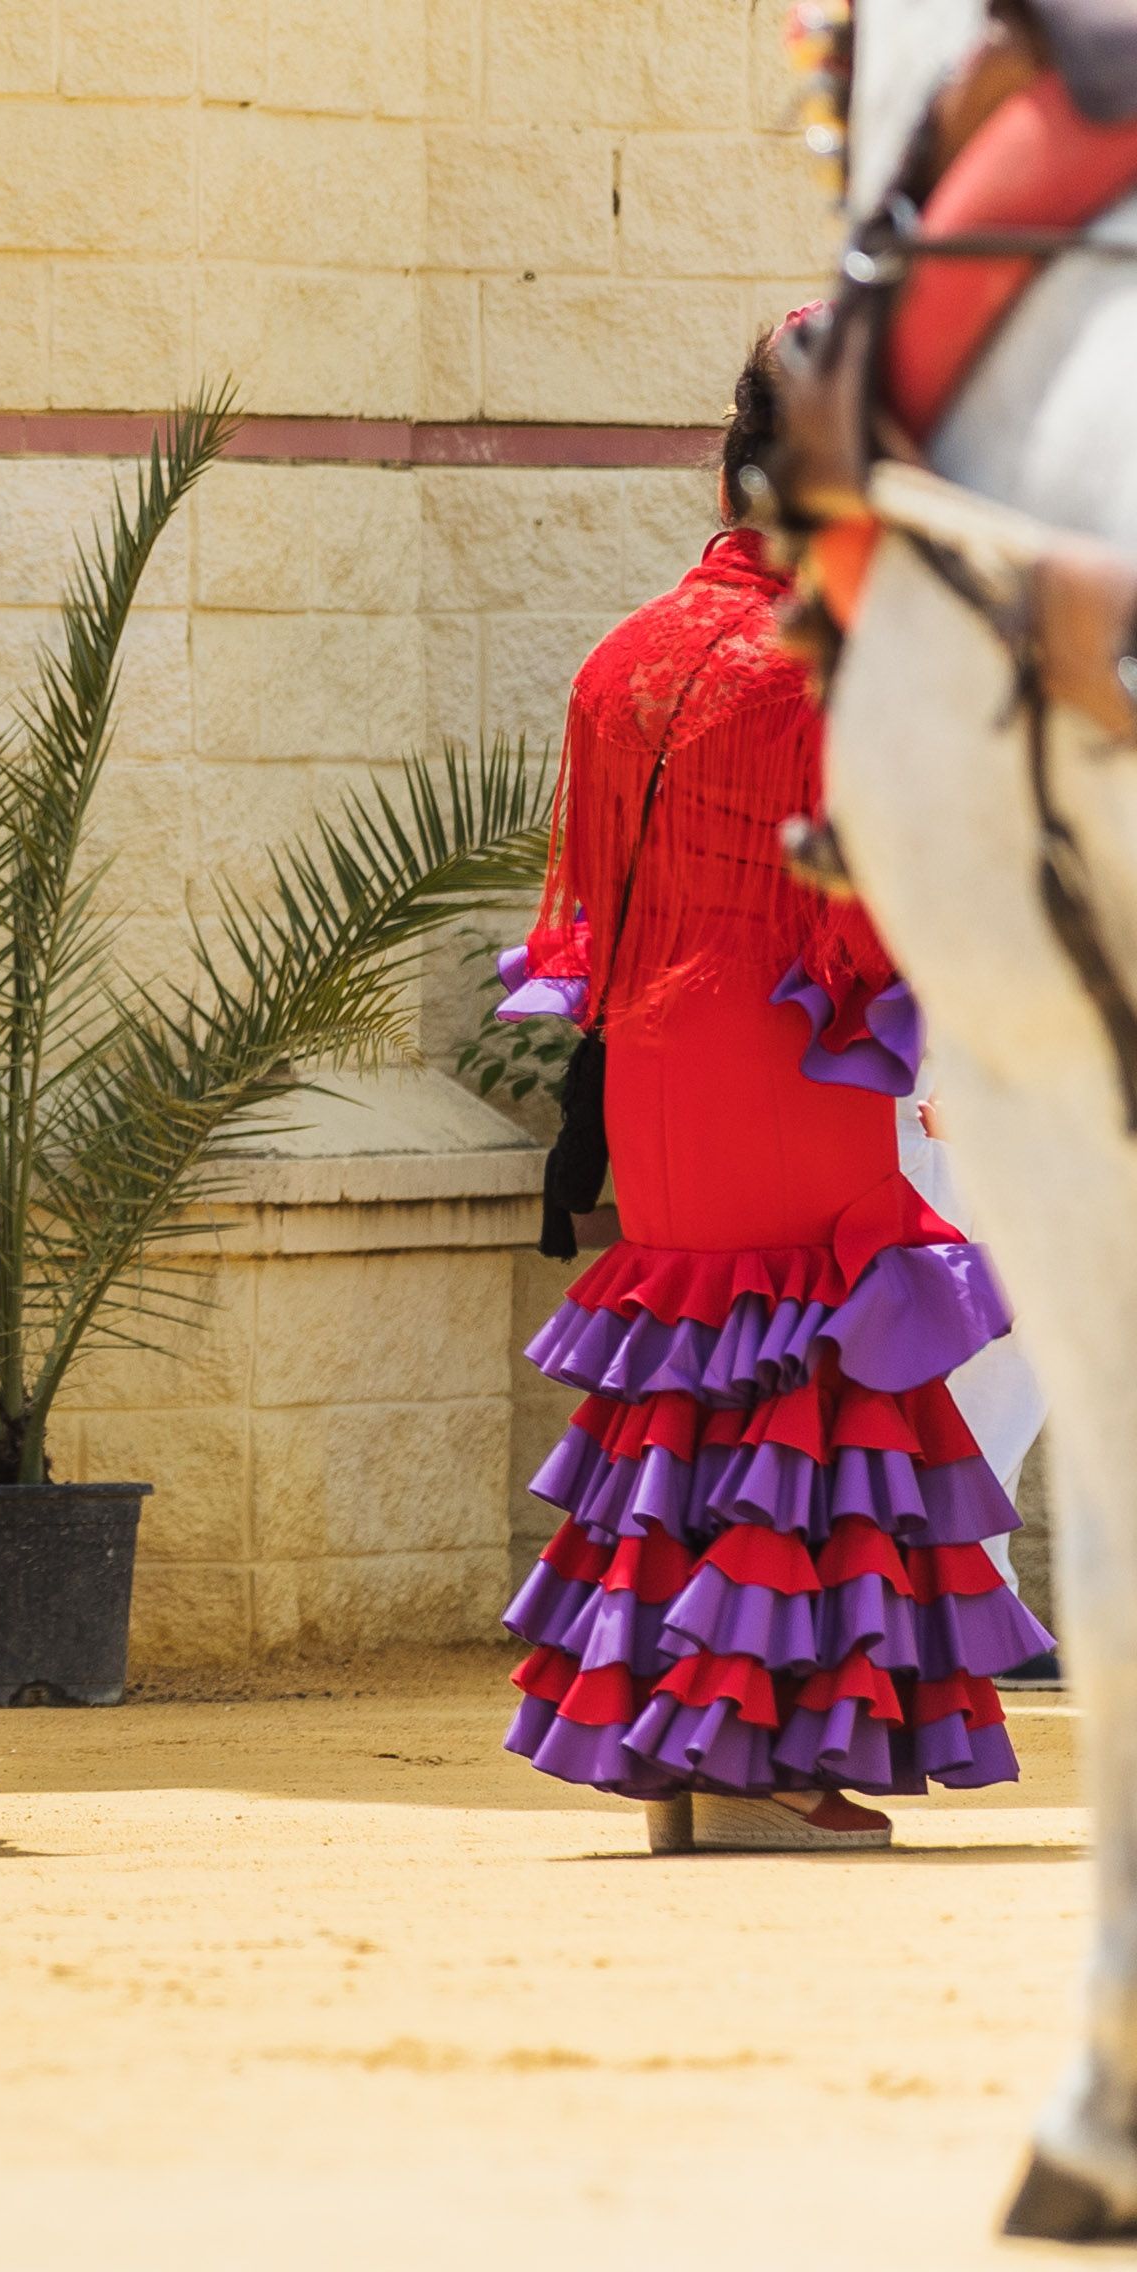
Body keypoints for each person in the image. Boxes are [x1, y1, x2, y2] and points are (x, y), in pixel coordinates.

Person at [495, 329, 1054, 1854]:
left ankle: (690, 1755)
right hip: (798, 1051)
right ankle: (770, 1759)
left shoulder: (628, 651)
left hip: (663, 1062)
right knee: (812, 1359)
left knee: (695, 1369)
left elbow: (598, 908)